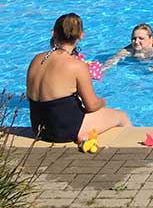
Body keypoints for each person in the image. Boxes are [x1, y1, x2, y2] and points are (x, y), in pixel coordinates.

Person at [26, 13, 131, 143]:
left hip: (38, 128)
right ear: (81, 35)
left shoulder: (36, 59)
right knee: (121, 116)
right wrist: (102, 101)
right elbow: (91, 106)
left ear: (54, 33)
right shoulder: (77, 66)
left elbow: (34, 96)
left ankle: (85, 133)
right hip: (63, 131)